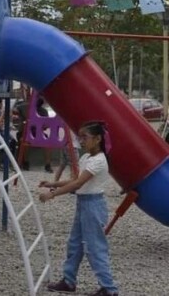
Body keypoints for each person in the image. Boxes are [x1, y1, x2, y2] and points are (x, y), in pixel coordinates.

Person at [39, 121, 119, 296]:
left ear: (98, 139)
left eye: (85, 137)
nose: (81, 141)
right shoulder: (86, 158)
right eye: (79, 137)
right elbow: (74, 180)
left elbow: (78, 183)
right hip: (83, 204)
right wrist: (52, 183)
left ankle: (109, 288)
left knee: (95, 247)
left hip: (93, 205)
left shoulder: (99, 160)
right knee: (75, 244)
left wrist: (53, 194)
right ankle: (68, 281)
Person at [14, 97, 53, 172]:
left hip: (38, 132)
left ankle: (47, 164)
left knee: (48, 143)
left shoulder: (43, 111)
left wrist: (43, 125)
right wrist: (19, 114)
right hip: (25, 132)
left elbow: (46, 126)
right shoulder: (25, 107)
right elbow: (15, 109)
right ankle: (25, 162)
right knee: (24, 140)